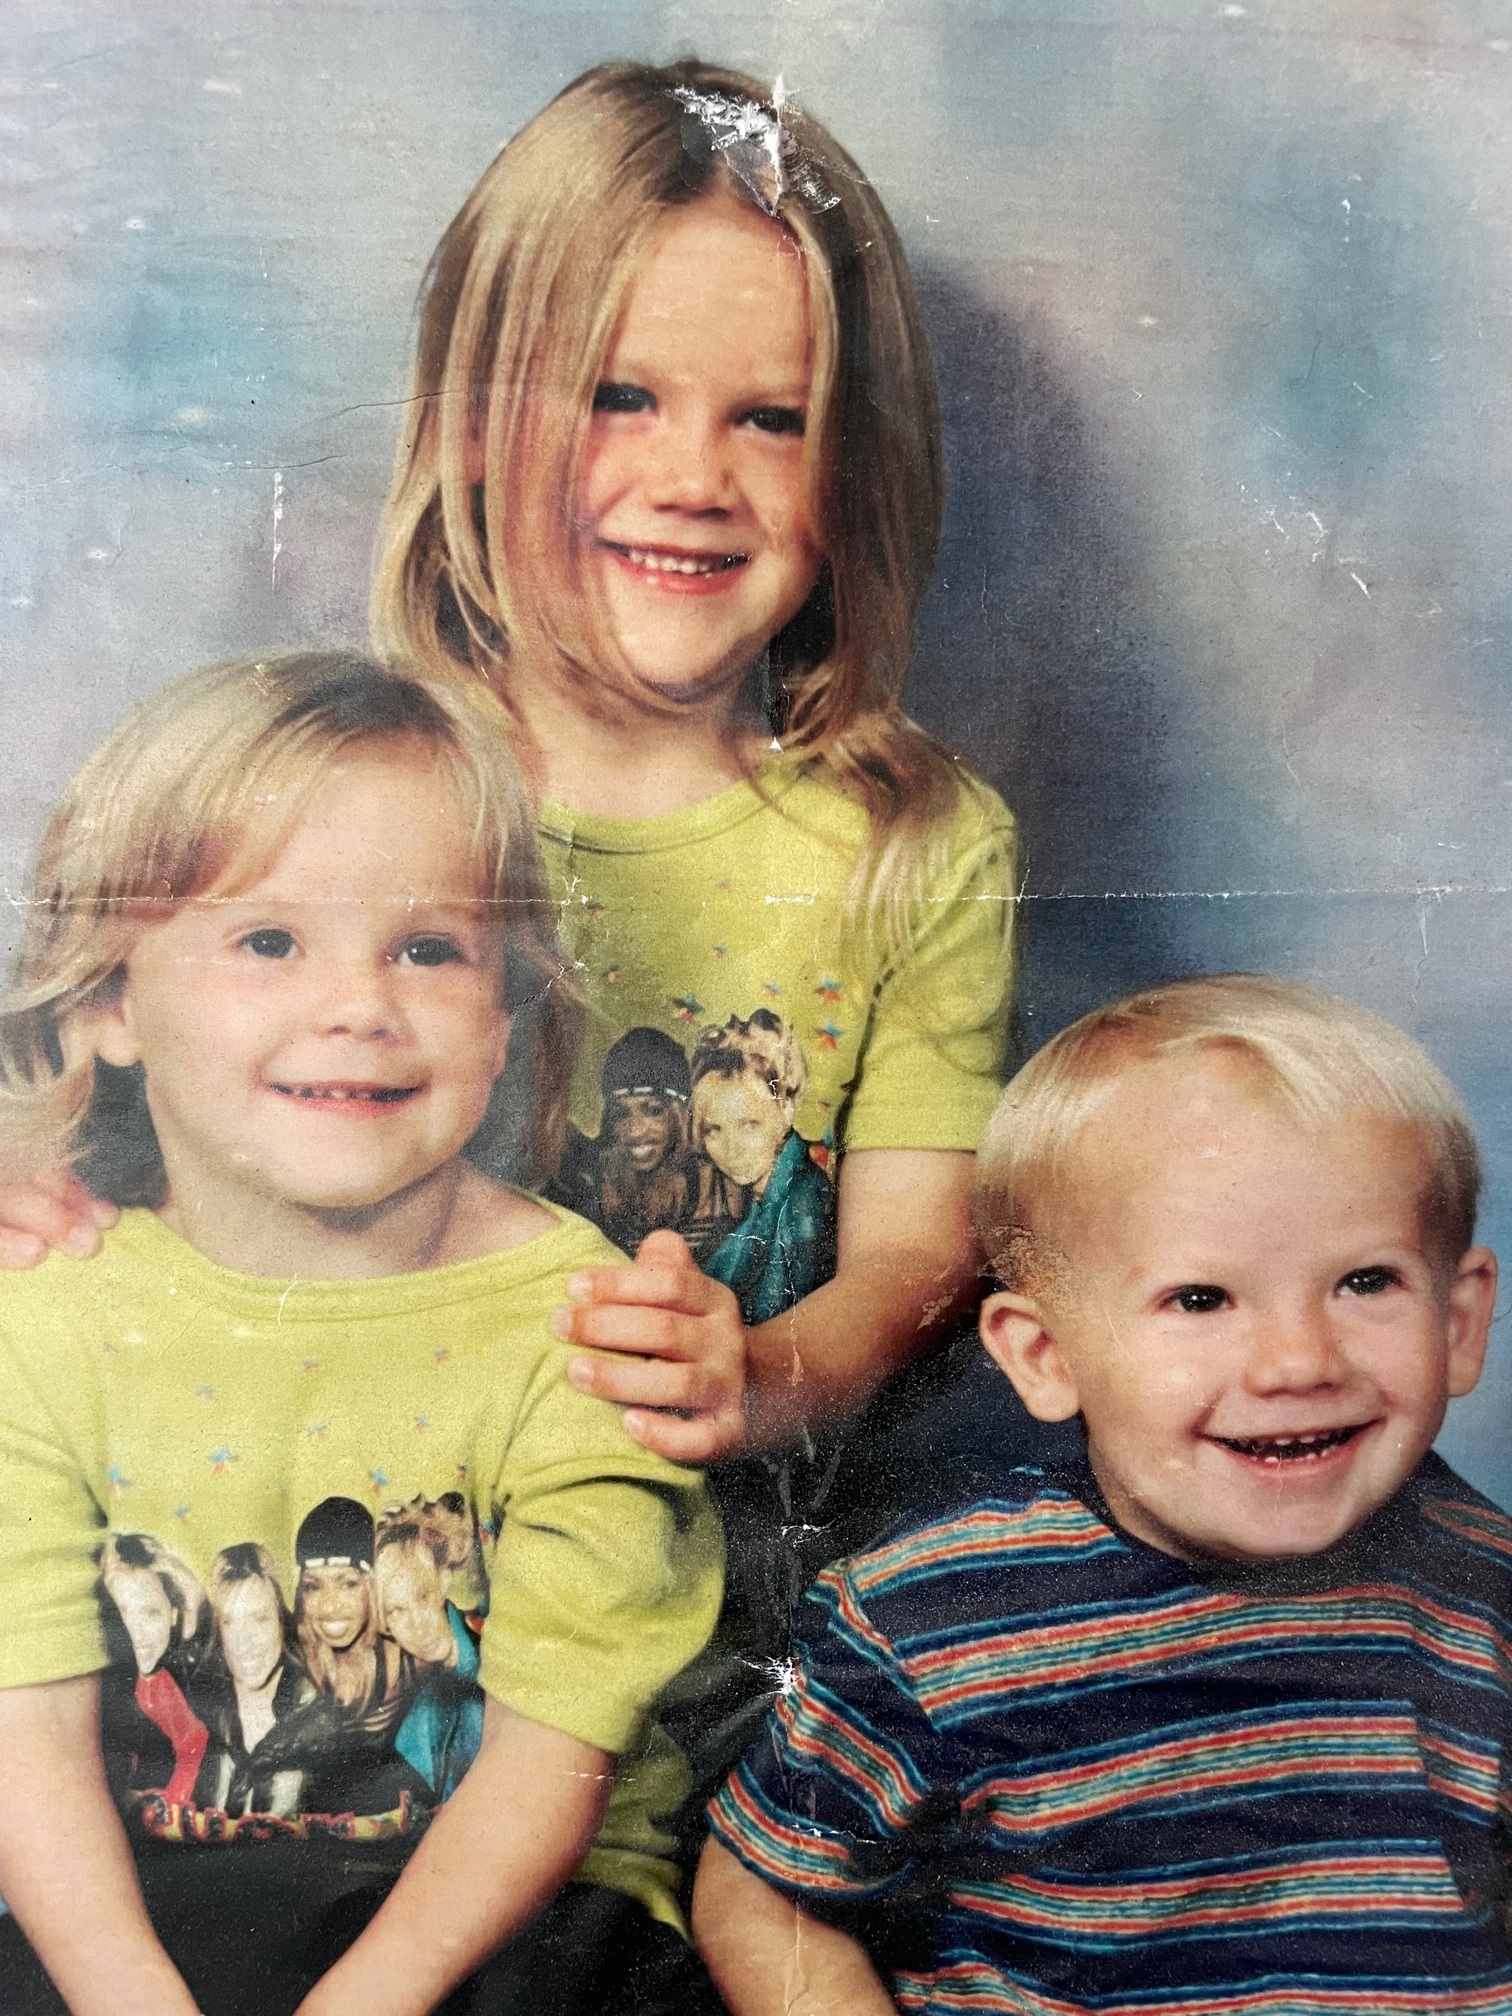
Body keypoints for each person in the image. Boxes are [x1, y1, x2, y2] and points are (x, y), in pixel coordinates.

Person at [0, 652, 729, 2016]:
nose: (361, 1006)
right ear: (108, 1004)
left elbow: (546, 1758)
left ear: (507, 1016)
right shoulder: (46, 1310)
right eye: (270, 941)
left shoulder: (587, 1318)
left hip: (510, 1900)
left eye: (428, 949)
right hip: (147, 1897)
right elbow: (24, 1737)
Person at [694, 975, 1512, 2014]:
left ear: (1458, 1320)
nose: (1299, 1360)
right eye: (1201, 1297)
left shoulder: (1484, 1583)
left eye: (1367, 1282)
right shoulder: (936, 1616)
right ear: (1046, 1356)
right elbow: (763, 1894)